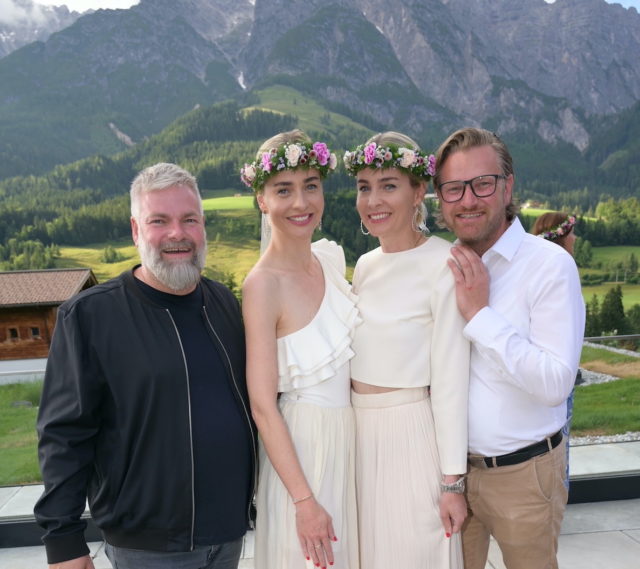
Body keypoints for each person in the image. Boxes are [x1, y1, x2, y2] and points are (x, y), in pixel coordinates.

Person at [34, 162, 256, 569]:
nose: (177, 234)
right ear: (136, 230)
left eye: (189, 219)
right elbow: (64, 435)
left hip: (228, 534)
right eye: (160, 221)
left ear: (203, 227)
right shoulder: (90, 316)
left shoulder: (223, 302)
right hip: (148, 546)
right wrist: (63, 542)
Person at [433, 128, 585, 569]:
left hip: (524, 475)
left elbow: (556, 383)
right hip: (452, 477)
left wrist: (481, 317)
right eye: (453, 188)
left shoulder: (549, 266)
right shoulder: (444, 266)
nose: (467, 200)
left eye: (482, 184)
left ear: (508, 185)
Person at [343, 132, 470, 569]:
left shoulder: (444, 263)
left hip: (412, 436)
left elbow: (452, 379)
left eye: (388, 185)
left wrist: (452, 484)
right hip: (356, 436)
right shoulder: (364, 264)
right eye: (364, 186)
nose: (373, 199)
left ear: (419, 192)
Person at [240, 130, 359, 569]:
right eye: (283, 190)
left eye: (311, 185)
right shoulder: (262, 285)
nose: (301, 202)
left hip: (347, 441)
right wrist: (304, 501)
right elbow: (262, 406)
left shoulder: (329, 258)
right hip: (303, 455)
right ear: (262, 199)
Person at [531, 212, 582, 488]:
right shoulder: (562, 269)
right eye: (571, 232)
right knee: (560, 435)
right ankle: (559, 488)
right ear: (561, 235)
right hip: (556, 376)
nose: (575, 238)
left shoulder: (537, 267)